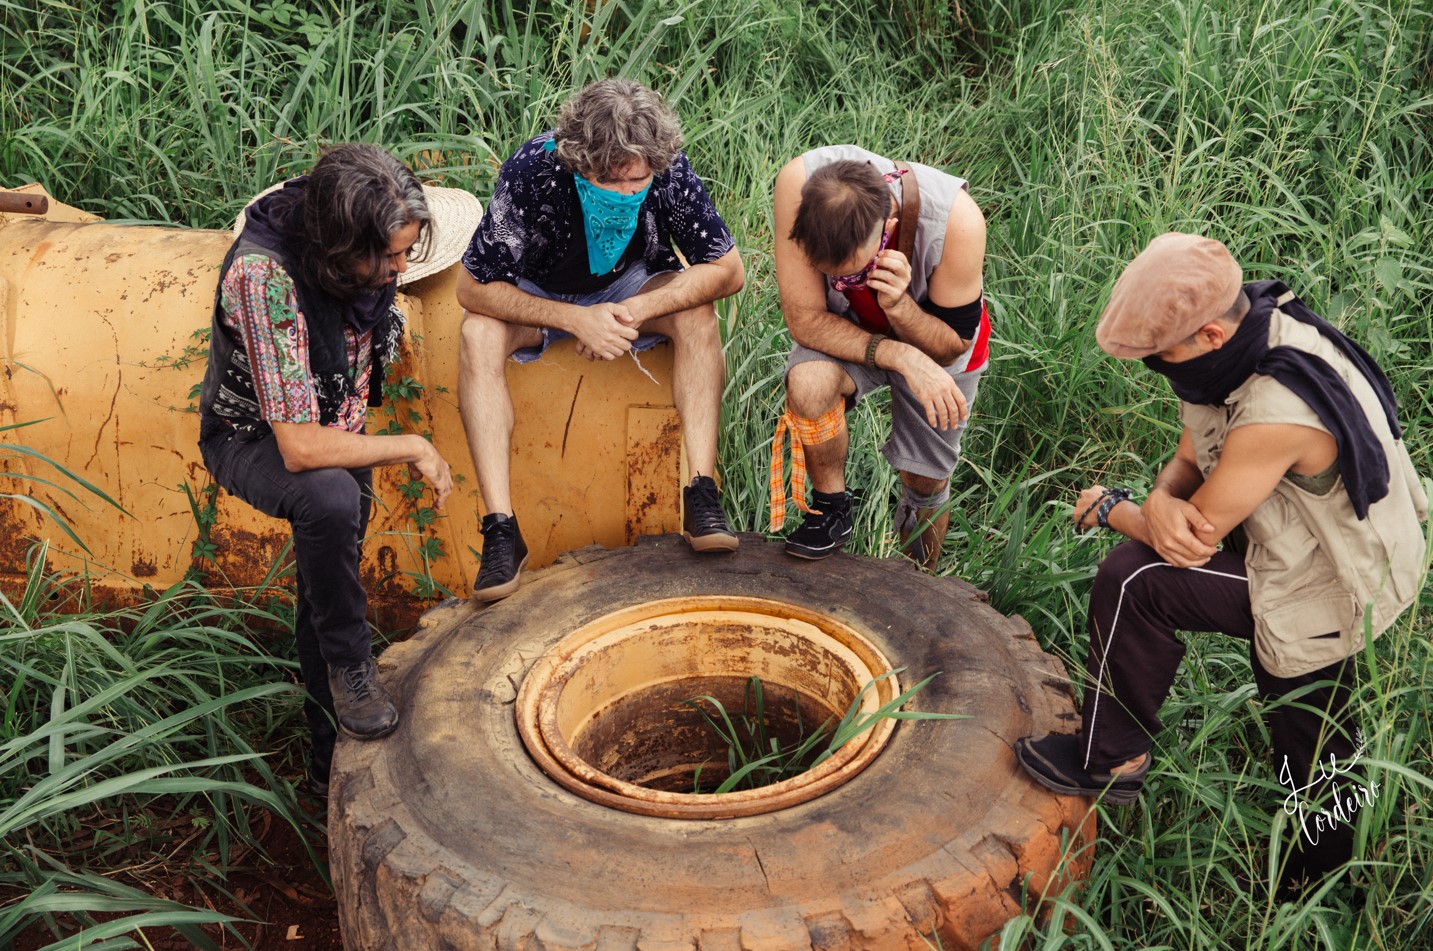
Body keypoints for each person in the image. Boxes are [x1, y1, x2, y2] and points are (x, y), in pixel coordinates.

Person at [1015, 233, 1427, 892]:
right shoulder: (1242, 342)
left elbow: (1191, 537)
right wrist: (1157, 497)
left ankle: (1319, 888)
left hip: (1335, 583)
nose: (1155, 366)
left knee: (1309, 740)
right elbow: (1189, 453)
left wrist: (1112, 507)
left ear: (1207, 332)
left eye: (1161, 353)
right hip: (1294, 540)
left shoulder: (1275, 409)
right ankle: (1114, 758)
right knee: (1147, 581)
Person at [199, 144, 461, 795]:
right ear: (337, 245)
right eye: (388, 257)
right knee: (329, 499)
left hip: (334, 419)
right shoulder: (264, 279)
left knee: (330, 560)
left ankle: (325, 764)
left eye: (407, 252)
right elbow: (298, 449)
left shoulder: (360, 256)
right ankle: (350, 666)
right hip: (255, 433)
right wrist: (409, 445)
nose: (401, 269)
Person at [457, 78, 745, 601]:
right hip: (539, 294)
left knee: (698, 313)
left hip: (630, 285)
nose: (631, 189)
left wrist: (631, 311)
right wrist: (573, 320)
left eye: (640, 179)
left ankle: (700, 492)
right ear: (579, 160)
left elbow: (727, 270)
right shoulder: (533, 171)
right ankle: (501, 527)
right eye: (614, 181)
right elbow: (470, 287)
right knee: (477, 335)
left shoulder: (666, 168)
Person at [769, 147, 990, 569]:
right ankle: (832, 509)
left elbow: (953, 343)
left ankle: (917, 577)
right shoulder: (796, 184)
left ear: (887, 228)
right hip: (847, 329)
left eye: (851, 274)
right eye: (827, 273)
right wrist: (895, 354)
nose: (838, 282)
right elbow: (804, 319)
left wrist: (902, 309)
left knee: (924, 477)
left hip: (934, 338)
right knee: (809, 383)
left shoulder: (957, 223)